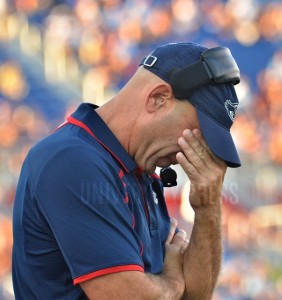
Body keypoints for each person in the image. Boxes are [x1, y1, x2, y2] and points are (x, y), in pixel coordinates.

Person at [12, 42, 241, 299]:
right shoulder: (72, 160)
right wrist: (174, 281)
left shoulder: (142, 170)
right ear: (158, 98)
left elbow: (197, 296)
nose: (194, 152)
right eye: (198, 134)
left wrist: (207, 208)